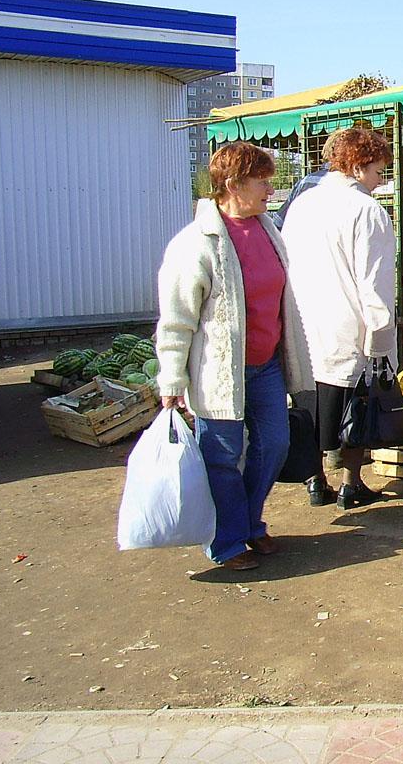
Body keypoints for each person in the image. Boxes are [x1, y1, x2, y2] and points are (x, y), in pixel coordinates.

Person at [155, 142, 313, 572]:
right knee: (222, 456)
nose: (270, 188)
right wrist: (171, 380)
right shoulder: (196, 244)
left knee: (275, 445)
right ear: (232, 185)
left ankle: (248, 520)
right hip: (219, 371)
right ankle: (228, 540)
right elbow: (176, 319)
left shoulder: (268, 229)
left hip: (266, 367)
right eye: (262, 181)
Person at [282, 126, 399, 509]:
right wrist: (381, 342)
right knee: (357, 411)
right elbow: (375, 283)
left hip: (303, 327)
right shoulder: (367, 211)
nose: (381, 181)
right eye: (380, 171)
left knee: (308, 407)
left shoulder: (302, 204)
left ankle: (315, 482)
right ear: (359, 165)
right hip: (349, 328)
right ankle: (351, 484)